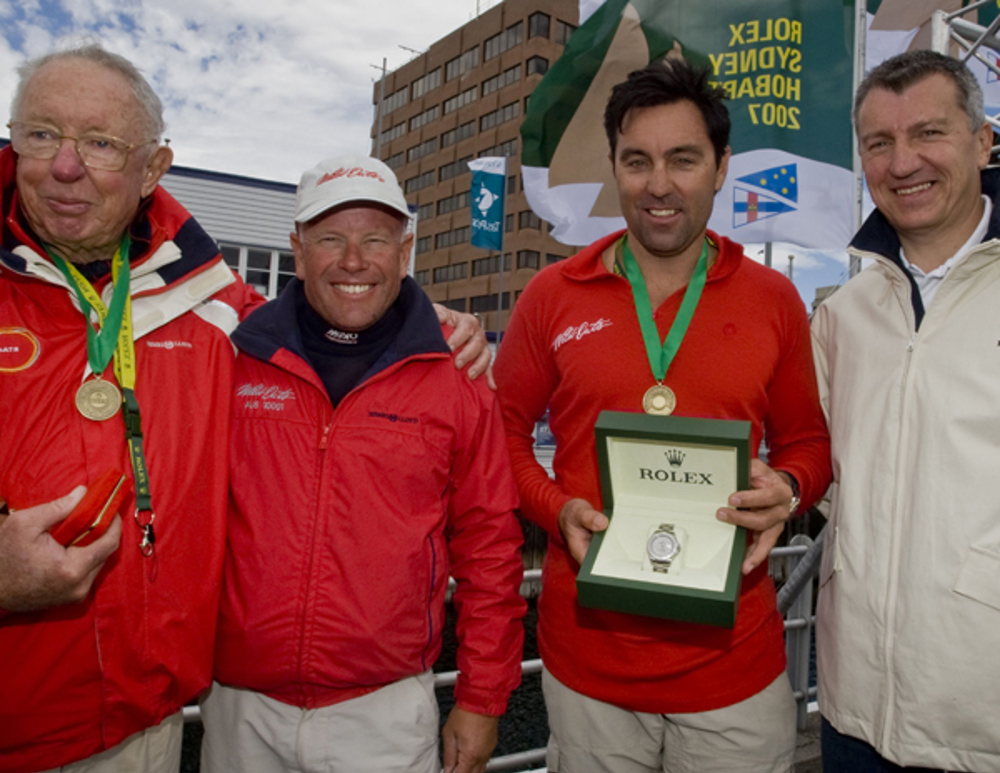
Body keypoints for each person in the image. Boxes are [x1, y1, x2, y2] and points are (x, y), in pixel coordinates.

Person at [0, 46, 490, 773]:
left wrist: (430, 321)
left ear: (152, 169)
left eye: (101, 142)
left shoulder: (221, 314)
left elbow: (338, 314)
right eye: (40, 134)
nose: (65, 166)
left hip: (146, 730)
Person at [494, 59, 831, 773]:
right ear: (615, 165)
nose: (659, 185)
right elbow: (502, 439)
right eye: (637, 160)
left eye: (683, 159)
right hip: (589, 670)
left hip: (734, 668)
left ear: (720, 166)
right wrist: (557, 510)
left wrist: (791, 491)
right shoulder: (552, 294)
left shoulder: (773, 299)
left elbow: (808, 441)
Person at [200, 155, 526, 773]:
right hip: (240, 710)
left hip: (384, 715)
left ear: (404, 253)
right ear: (298, 251)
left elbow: (490, 549)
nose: (354, 261)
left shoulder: (457, 376)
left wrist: (483, 699)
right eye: (330, 239)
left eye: (375, 239)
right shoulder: (232, 358)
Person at [812, 50, 1000, 773]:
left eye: (928, 133)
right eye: (878, 143)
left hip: (982, 726)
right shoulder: (844, 313)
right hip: (854, 711)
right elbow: (815, 467)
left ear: (983, 141)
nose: (902, 162)